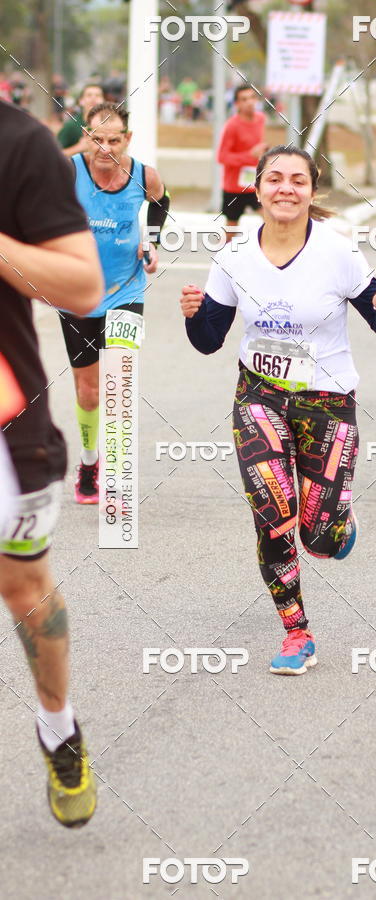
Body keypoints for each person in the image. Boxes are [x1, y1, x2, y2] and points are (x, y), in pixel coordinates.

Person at [180, 145, 376, 674]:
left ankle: (337, 524)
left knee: (321, 538)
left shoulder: (337, 252)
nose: (286, 189)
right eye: (275, 179)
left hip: (328, 404)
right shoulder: (235, 254)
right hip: (258, 396)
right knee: (273, 516)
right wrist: (195, 316)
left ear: (312, 191)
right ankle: (296, 633)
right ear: (258, 188)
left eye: (297, 181)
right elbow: (209, 340)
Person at [0, 97, 103, 826]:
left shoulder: (21, 145)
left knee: (23, 586)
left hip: (4, 417)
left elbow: (80, 285)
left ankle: (59, 729)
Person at [58, 102, 169, 504]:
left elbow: (160, 202)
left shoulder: (143, 175)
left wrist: (151, 243)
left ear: (128, 139)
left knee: (118, 382)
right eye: (97, 139)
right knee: (88, 392)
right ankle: (90, 463)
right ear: (86, 136)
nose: (105, 148)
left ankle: (119, 474)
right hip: (77, 294)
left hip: (127, 290)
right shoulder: (68, 171)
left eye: (114, 140)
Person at [217, 83, 267, 241]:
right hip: (234, 187)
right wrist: (249, 155)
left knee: (271, 219)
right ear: (237, 104)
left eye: (253, 97)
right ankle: (224, 260)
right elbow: (222, 157)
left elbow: (256, 147)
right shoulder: (232, 126)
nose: (250, 102)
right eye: (244, 99)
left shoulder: (261, 119)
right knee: (231, 230)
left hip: (254, 183)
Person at [57, 82, 104, 156]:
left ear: (103, 101)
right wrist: (78, 147)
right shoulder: (71, 126)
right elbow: (54, 155)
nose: (93, 98)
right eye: (89, 95)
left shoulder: (108, 125)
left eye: (98, 95)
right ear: (81, 101)